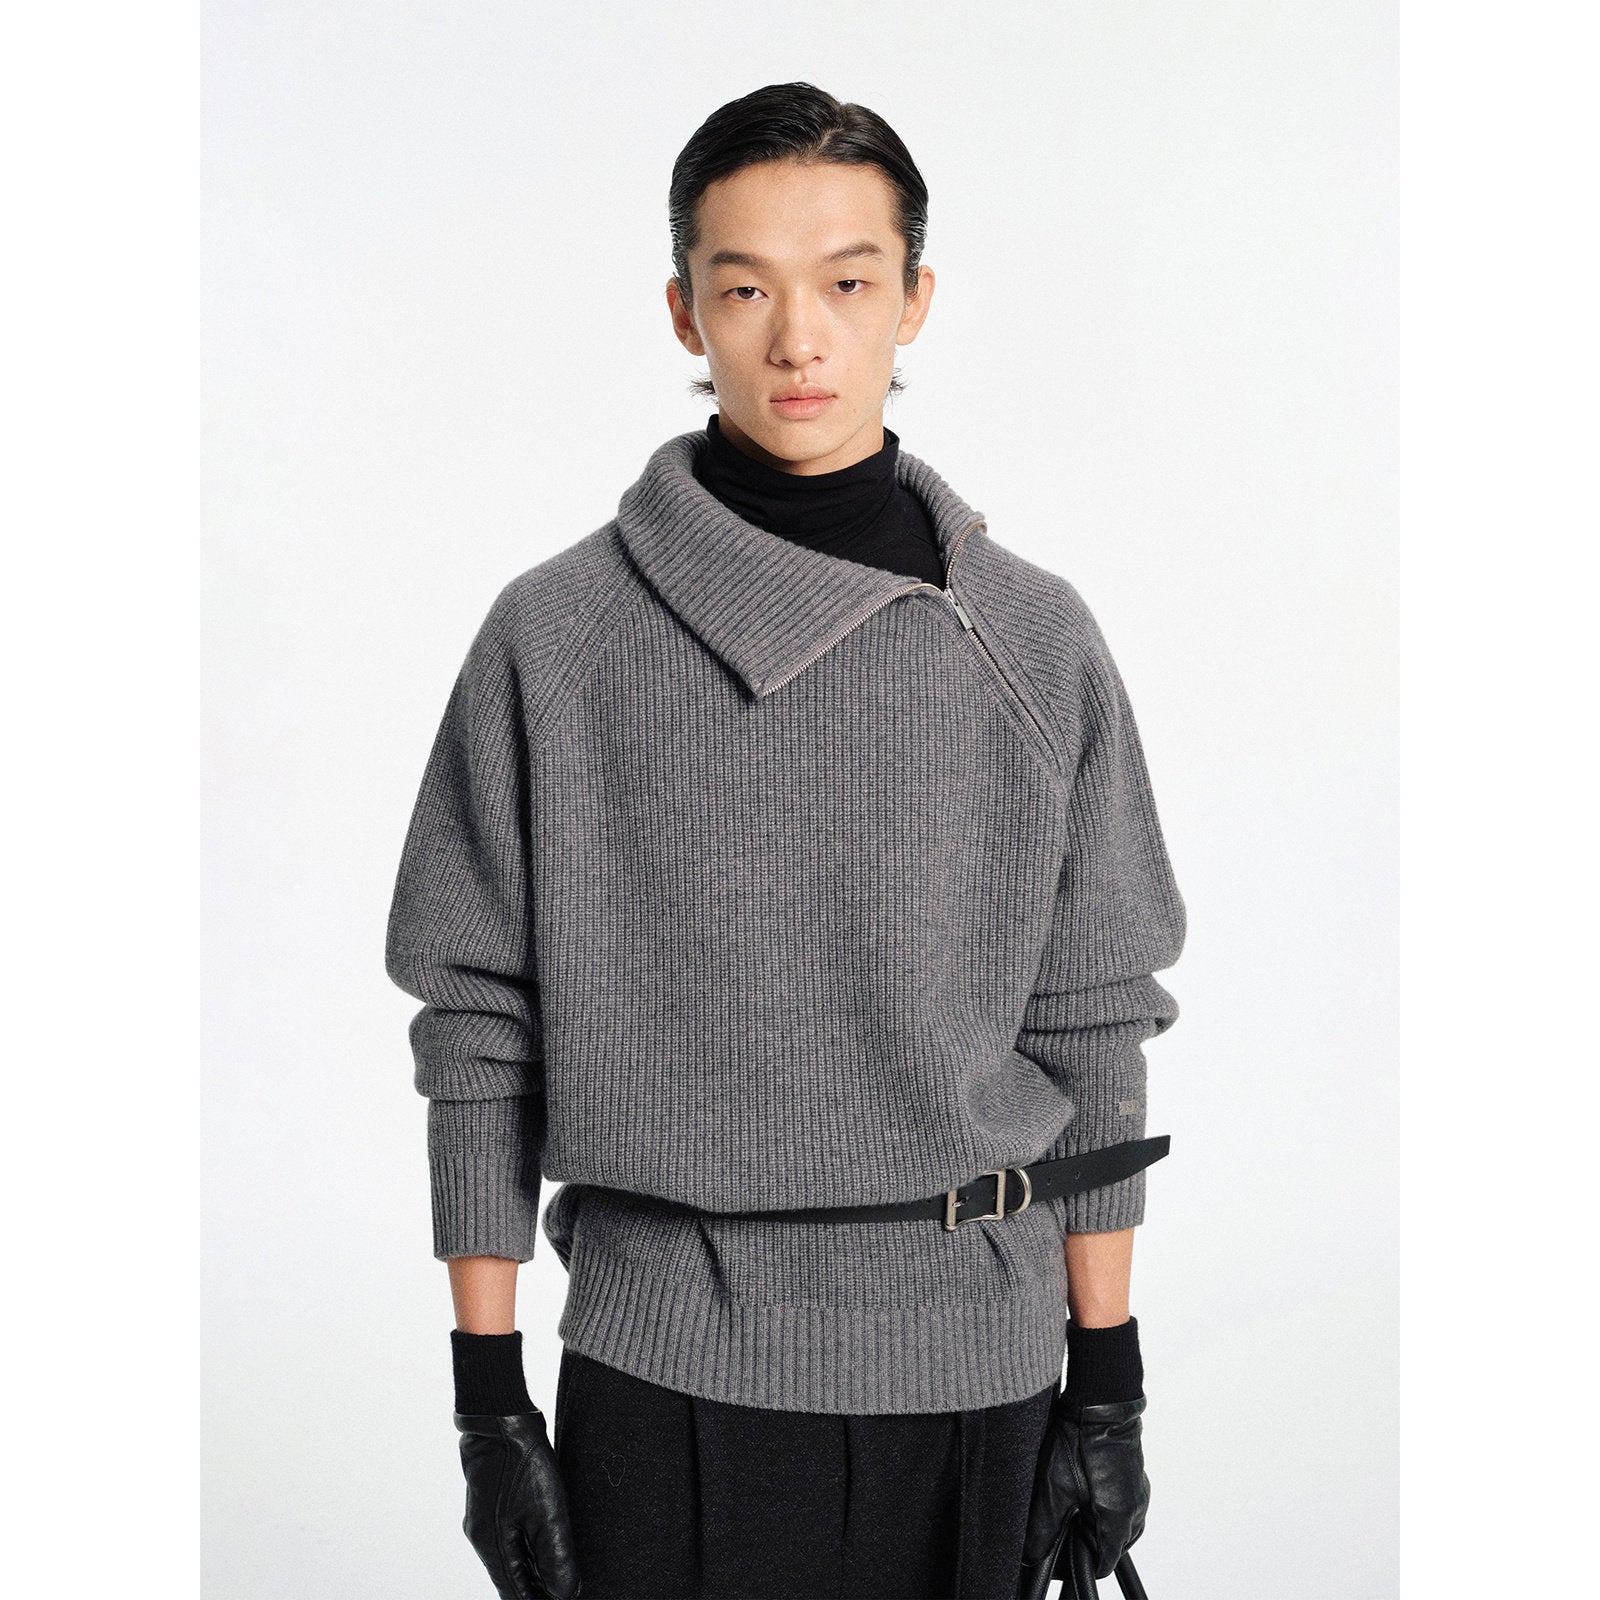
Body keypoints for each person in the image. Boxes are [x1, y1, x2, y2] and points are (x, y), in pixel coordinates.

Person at [385, 81, 1186, 1600]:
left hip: (976, 1359)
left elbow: (1092, 1025)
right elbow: (477, 1023)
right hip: (662, 1370)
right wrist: (488, 1404)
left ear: (916, 301)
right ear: (684, 311)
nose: (798, 338)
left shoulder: (1033, 638)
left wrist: (1110, 1382)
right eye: (746, 288)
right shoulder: (556, 637)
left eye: (848, 284)